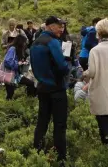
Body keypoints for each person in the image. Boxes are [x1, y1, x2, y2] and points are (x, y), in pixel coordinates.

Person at [30, 16, 69, 164]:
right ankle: (61, 158)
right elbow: (62, 67)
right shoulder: (52, 42)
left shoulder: (34, 43)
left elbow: (33, 66)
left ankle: (37, 152)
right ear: (51, 26)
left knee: (42, 121)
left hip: (42, 88)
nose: (62, 29)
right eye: (60, 26)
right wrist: (67, 63)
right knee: (59, 125)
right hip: (57, 89)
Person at [83, 18, 108, 144]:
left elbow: (92, 72)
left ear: (98, 33)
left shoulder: (95, 50)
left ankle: (107, 144)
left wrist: (84, 73)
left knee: (102, 117)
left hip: (100, 87)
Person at [3, 35, 36, 100]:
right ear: (20, 42)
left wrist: (21, 62)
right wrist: (18, 63)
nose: (25, 44)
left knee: (31, 84)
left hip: (16, 75)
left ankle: (29, 100)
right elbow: (7, 61)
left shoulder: (17, 50)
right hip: (10, 75)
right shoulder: (13, 49)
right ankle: (8, 107)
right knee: (10, 94)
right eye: (24, 42)